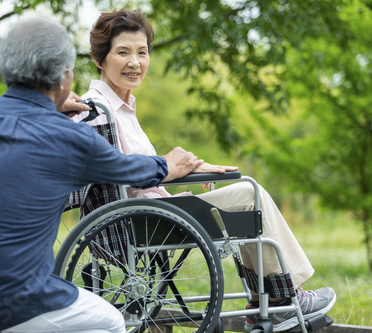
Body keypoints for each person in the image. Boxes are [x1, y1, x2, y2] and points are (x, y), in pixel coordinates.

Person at [0, 17, 204, 333]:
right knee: (112, 322)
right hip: (11, 298)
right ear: (64, 76)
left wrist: (52, 106)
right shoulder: (72, 139)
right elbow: (130, 171)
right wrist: (167, 164)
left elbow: (22, 123)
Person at [72, 9, 337, 332]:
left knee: (243, 188)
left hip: (153, 213)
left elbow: (140, 167)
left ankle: (266, 299)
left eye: (142, 52)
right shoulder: (98, 109)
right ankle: (282, 299)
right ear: (100, 59)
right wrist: (170, 168)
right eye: (123, 52)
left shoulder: (121, 106)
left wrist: (192, 168)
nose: (135, 62)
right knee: (249, 192)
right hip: (144, 221)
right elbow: (115, 171)